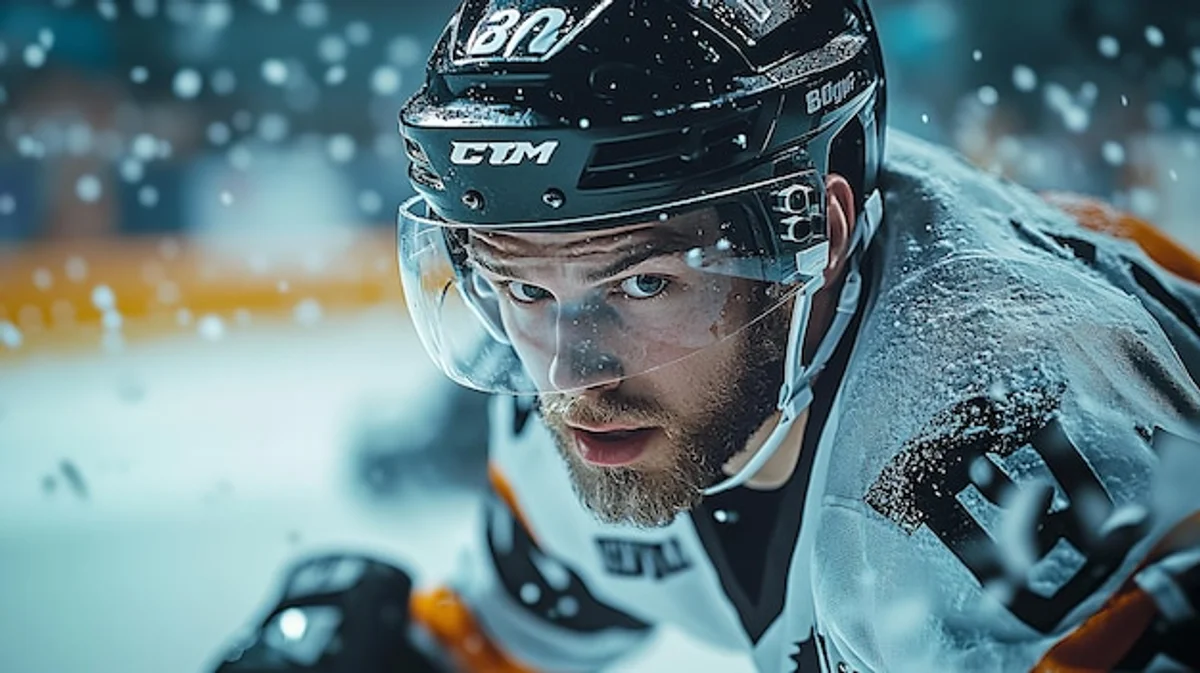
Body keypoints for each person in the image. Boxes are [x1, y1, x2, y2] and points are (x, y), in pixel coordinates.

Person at [211, 1, 1200, 671]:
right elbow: (520, 620)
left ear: (824, 231)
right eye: (516, 282)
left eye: (641, 279)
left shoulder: (996, 469)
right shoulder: (629, 392)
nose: (567, 375)